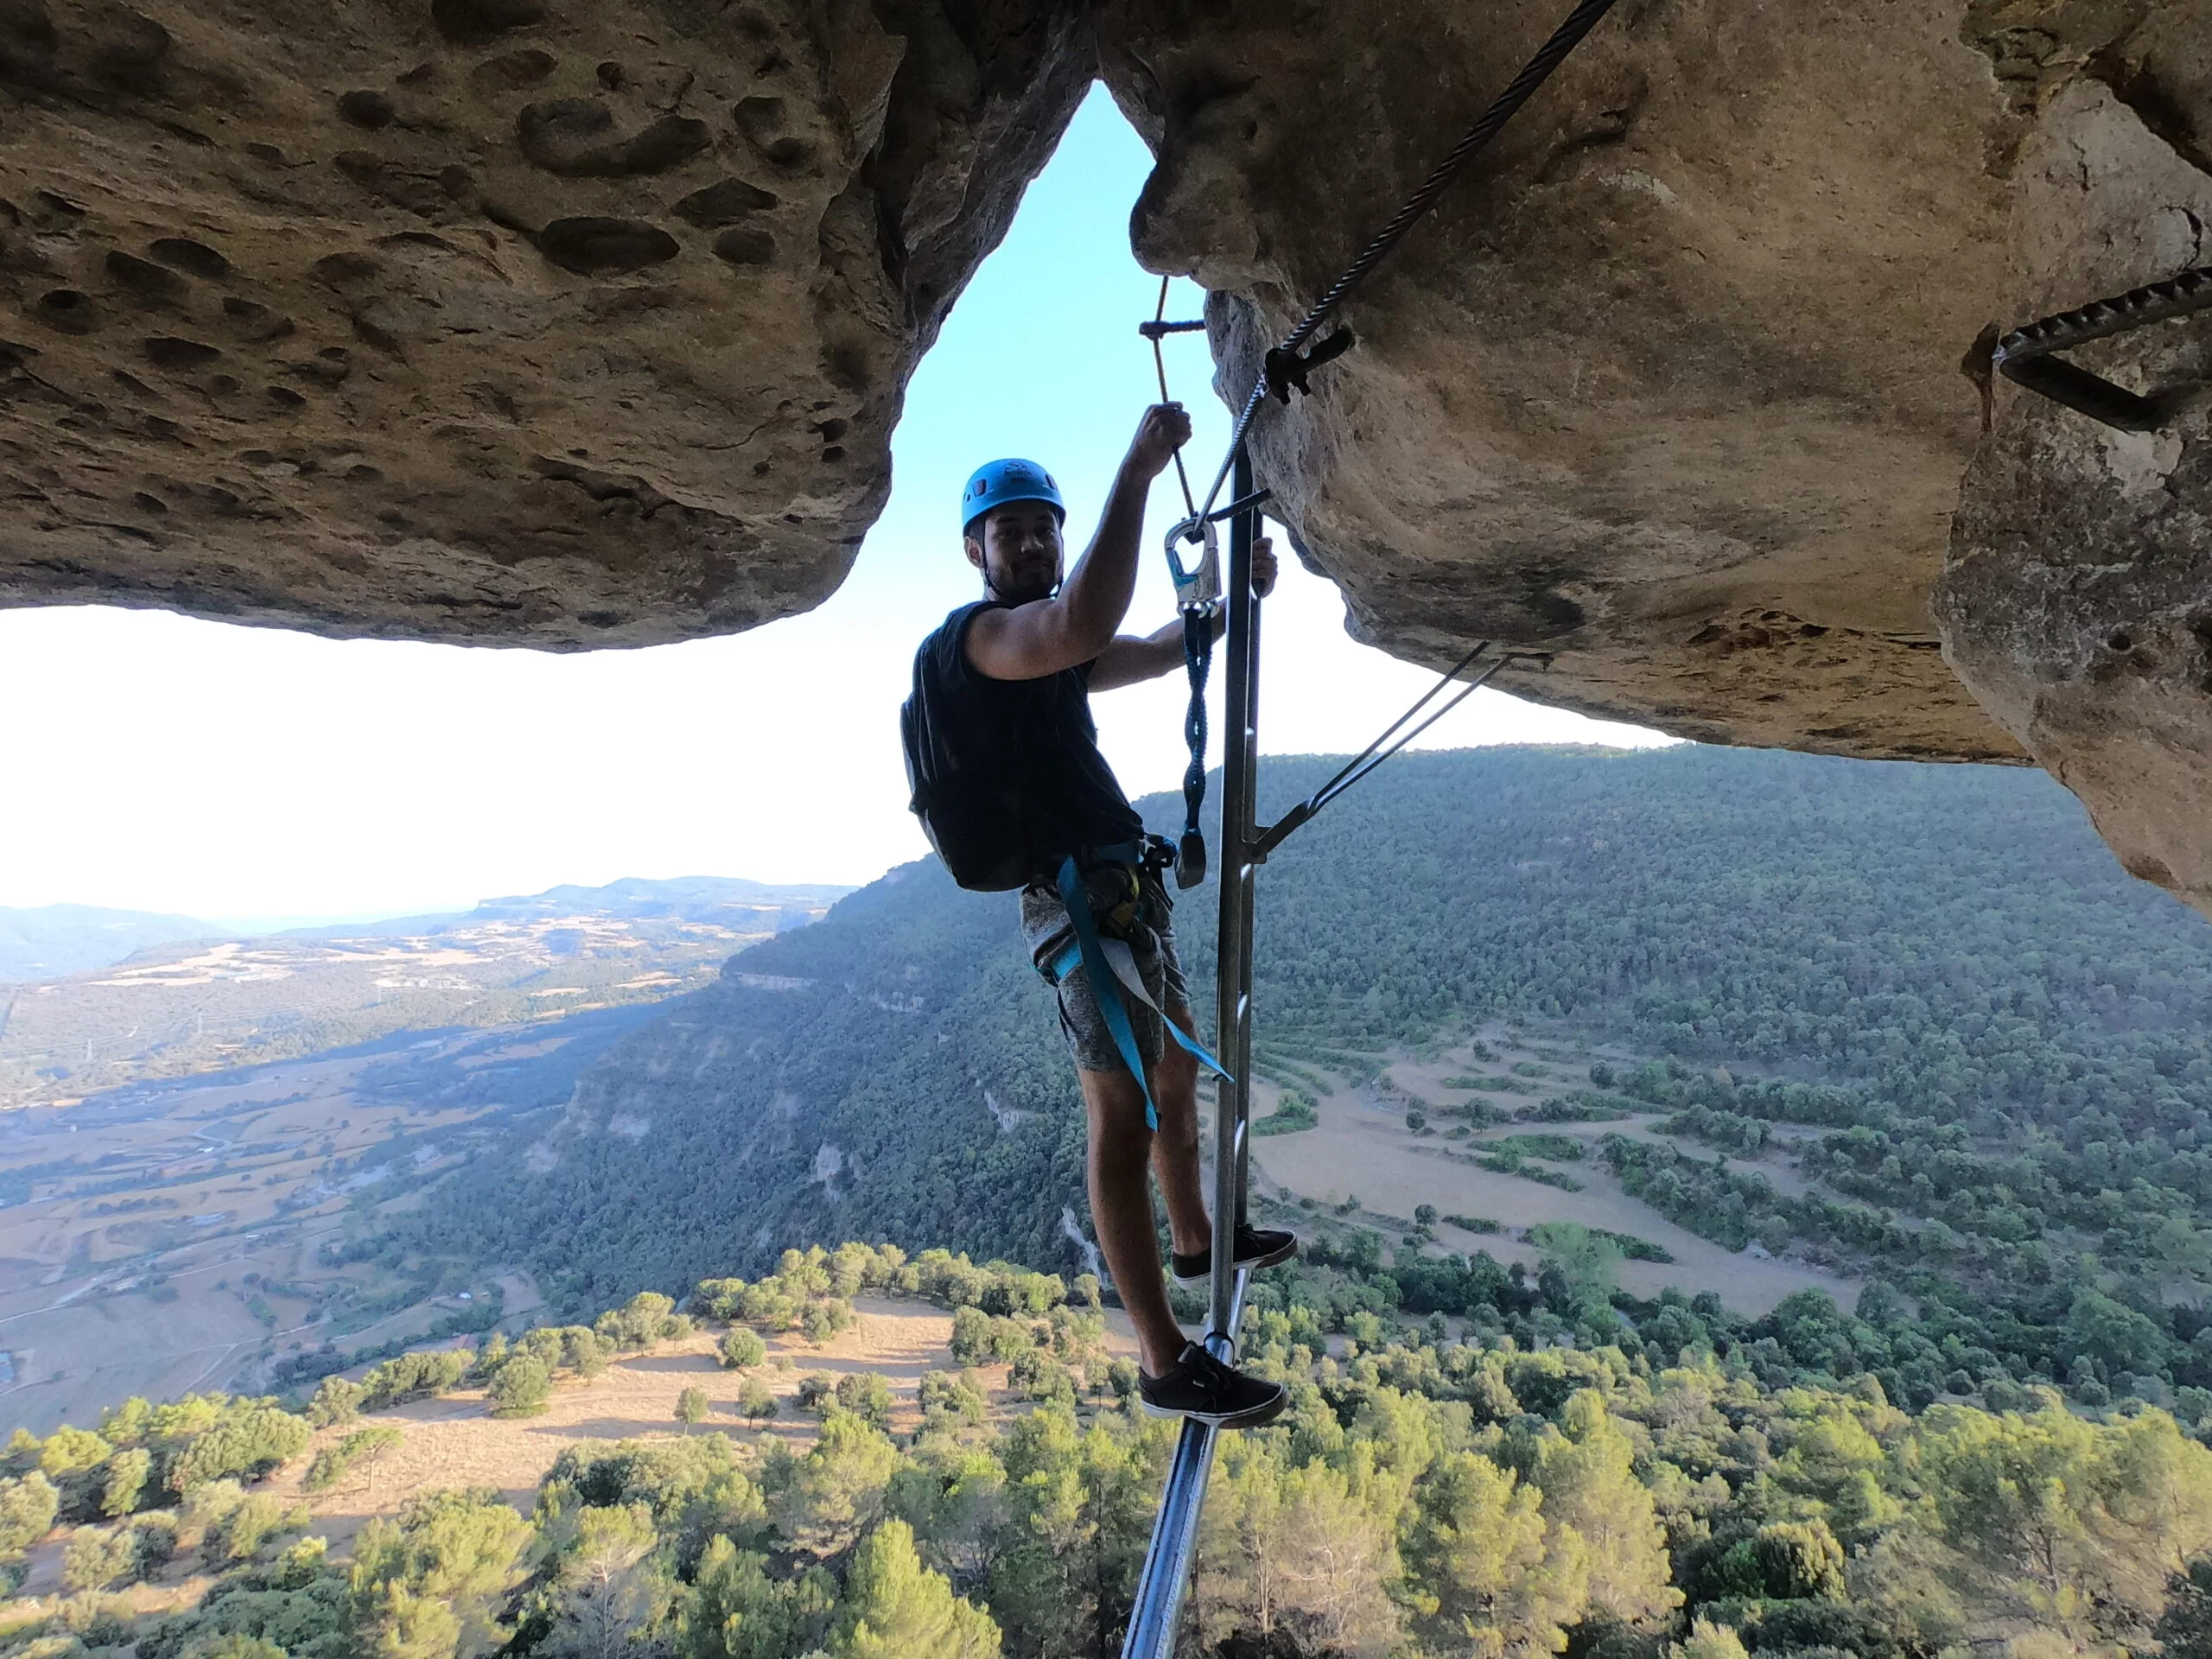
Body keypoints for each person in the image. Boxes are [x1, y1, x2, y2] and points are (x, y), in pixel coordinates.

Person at [906, 403, 1296, 1428]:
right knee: (1119, 1116)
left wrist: (1226, 595)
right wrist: (1134, 468)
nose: (1033, 540)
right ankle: (1165, 1360)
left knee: (1172, 1071)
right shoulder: (980, 643)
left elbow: (1156, 648)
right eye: (1013, 529)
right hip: (1075, 909)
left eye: (1046, 525)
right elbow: (1079, 622)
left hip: (1121, 888)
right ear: (974, 551)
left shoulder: (1045, 661)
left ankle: (1199, 1241)